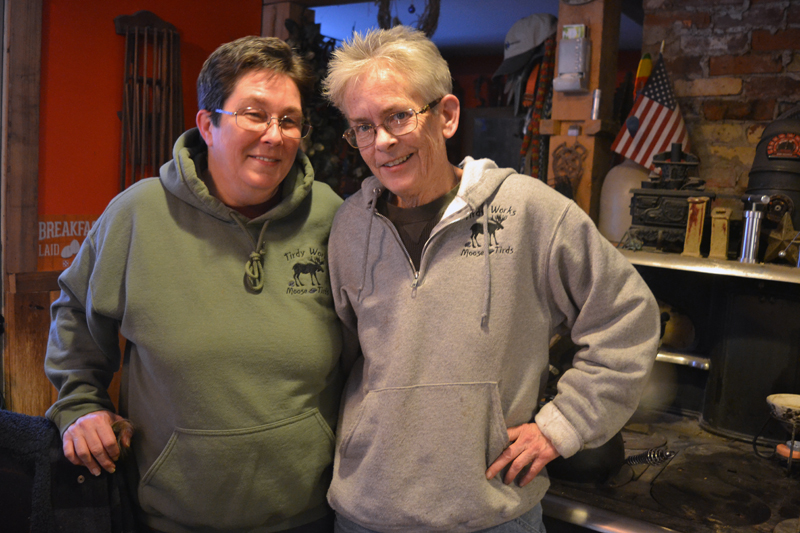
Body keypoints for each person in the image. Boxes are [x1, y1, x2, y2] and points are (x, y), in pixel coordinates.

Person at [321, 26, 661, 533]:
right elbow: (346, 360)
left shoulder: (532, 211)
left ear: (448, 115)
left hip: (493, 513)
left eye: (398, 116)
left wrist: (563, 424)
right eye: (363, 126)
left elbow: (626, 320)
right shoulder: (348, 226)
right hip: (366, 511)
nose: (382, 142)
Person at [45, 36, 344, 533]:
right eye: (254, 114)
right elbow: (75, 309)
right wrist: (79, 404)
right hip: (169, 518)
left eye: (289, 120)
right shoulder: (136, 214)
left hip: (310, 516)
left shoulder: (335, 217)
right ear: (208, 124)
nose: (275, 135)